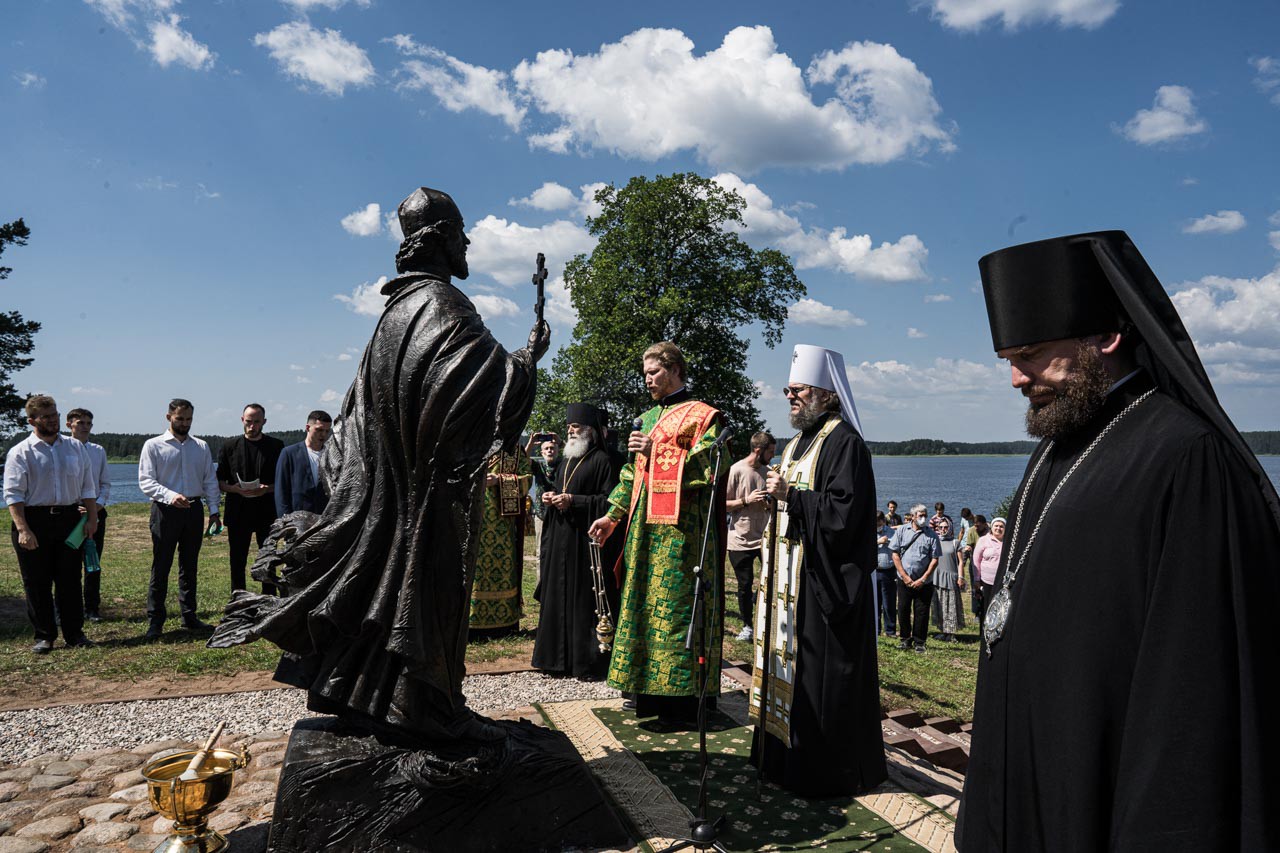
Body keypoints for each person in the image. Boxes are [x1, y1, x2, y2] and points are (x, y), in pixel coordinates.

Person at [959, 230, 1280, 850]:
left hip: (1103, 792)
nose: (1016, 378)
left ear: (1105, 337)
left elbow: (1192, 689)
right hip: (1026, 769)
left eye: (1031, 353)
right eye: (1008, 359)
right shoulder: (1057, 445)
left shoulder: (1186, 458)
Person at [210, 186, 549, 742]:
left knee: (397, 597)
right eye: (461, 233)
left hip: (393, 496)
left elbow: (363, 412)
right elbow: (477, 399)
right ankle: (429, 714)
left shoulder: (396, 311)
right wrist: (526, 361)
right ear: (439, 238)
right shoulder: (442, 304)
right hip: (423, 504)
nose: (467, 244)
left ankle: (389, 703)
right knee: (424, 600)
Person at [751, 343, 886, 797]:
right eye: (788, 390)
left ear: (828, 394)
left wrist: (793, 498)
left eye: (799, 390)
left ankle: (821, 772)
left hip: (821, 585)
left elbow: (846, 516)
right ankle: (778, 762)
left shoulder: (844, 442)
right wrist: (777, 498)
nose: (790, 396)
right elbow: (791, 499)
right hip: (788, 580)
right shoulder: (795, 443)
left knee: (820, 678)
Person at [588, 341, 723, 723]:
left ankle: (682, 702)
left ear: (676, 369)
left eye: (655, 372)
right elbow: (631, 473)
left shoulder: (704, 416)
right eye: (645, 373)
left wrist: (660, 451)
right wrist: (612, 516)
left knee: (678, 613)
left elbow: (712, 465)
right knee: (642, 610)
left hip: (683, 538)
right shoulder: (645, 418)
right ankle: (642, 689)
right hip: (644, 535)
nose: (647, 379)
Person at [3, 395, 98, 652]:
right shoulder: (21, 452)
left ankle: (75, 634)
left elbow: (88, 486)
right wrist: (23, 529)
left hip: (69, 519)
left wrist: (92, 517)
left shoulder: (75, 448)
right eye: (46, 417)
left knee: (69, 580)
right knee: (37, 581)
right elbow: (13, 495)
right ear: (32, 420)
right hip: (34, 520)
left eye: (55, 415)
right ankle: (44, 636)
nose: (53, 420)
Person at [532, 404, 619, 680]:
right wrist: (551, 497)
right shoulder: (567, 460)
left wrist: (574, 501)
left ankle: (585, 662)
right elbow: (560, 489)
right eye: (569, 428)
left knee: (582, 600)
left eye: (576, 428)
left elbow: (609, 502)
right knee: (557, 596)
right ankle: (554, 660)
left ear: (590, 432)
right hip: (561, 539)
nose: (570, 432)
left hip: (585, 543)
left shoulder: (603, 461)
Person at [138, 398, 221, 640]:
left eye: (188, 419)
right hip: (165, 511)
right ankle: (155, 620)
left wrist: (214, 511)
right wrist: (170, 496)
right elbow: (146, 481)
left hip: (194, 510)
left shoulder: (201, 447)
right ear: (168, 417)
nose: (184, 423)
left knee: (189, 565)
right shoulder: (153, 446)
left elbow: (209, 481)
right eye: (180, 419)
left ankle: (189, 615)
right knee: (161, 566)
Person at [218, 403, 284, 595]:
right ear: (242, 420)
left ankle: (269, 596)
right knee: (237, 559)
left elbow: (282, 481)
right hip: (238, 511)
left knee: (268, 557)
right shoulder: (229, 446)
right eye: (248, 422)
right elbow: (219, 480)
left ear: (264, 422)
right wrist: (234, 489)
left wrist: (267, 489)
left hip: (266, 511)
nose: (252, 426)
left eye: (256, 422)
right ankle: (238, 598)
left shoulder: (276, 446)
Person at [469, 446, 532, 635]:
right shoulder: (473, 442)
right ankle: (470, 623)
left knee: (502, 568)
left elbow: (527, 479)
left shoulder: (514, 450)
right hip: (472, 521)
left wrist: (500, 480)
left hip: (501, 526)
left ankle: (503, 624)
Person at [724, 431, 774, 642]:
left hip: (764, 538)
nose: (773, 455)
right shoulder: (736, 470)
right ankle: (747, 626)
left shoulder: (769, 471)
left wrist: (770, 503)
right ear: (758, 450)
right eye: (770, 452)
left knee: (769, 581)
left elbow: (776, 502)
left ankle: (766, 623)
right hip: (739, 540)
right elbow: (723, 505)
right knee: (744, 585)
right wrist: (746, 500)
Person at [66, 407, 109, 622]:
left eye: (88, 423)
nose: (84, 427)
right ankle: (65, 608)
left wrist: (97, 507)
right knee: (66, 564)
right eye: (80, 423)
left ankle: (92, 609)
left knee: (93, 561)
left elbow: (105, 483)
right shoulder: (62, 449)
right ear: (69, 425)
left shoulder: (98, 450)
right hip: (69, 513)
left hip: (95, 513)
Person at [890, 504, 939, 652]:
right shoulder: (902, 531)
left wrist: (923, 579)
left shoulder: (932, 534)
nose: (923, 518)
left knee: (922, 612)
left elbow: (935, 559)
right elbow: (895, 554)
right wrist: (904, 576)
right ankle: (905, 639)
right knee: (903, 609)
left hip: (924, 582)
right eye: (920, 515)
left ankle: (919, 641)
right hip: (904, 580)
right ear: (913, 516)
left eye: (925, 515)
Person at [274, 410, 332, 516]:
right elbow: (281, 491)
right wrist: (285, 521)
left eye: (327, 431)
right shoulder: (289, 453)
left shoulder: (332, 455)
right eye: (319, 430)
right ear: (307, 428)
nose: (323, 435)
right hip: (297, 519)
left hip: (325, 519)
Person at [527, 433, 561, 568]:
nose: (549, 451)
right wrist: (530, 443)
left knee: (559, 552)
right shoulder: (538, 467)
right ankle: (541, 586)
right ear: (541, 452)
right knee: (541, 553)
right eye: (546, 449)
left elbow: (577, 457)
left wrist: (560, 441)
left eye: (552, 448)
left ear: (558, 451)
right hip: (542, 515)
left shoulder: (564, 465)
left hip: (560, 515)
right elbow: (523, 459)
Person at [929, 517, 964, 642]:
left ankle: (951, 633)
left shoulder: (956, 543)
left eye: (946, 527)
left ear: (950, 528)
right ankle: (943, 631)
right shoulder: (935, 541)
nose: (943, 529)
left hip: (951, 577)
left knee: (951, 606)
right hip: (937, 578)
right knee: (939, 605)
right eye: (941, 527)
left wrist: (961, 577)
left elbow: (960, 562)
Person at [970, 516, 1003, 618]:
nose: (998, 528)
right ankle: (984, 632)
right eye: (996, 526)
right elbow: (976, 560)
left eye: (1001, 526)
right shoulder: (983, 540)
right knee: (986, 607)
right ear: (991, 527)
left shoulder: (1009, 542)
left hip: (1002, 581)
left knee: (1001, 608)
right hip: (986, 581)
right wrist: (976, 579)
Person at [960, 513, 988, 619]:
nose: (976, 528)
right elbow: (968, 547)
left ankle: (985, 609)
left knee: (985, 587)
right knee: (975, 588)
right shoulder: (972, 531)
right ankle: (976, 612)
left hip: (987, 563)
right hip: (975, 562)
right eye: (975, 525)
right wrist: (963, 562)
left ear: (984, 525)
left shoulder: (989, 531)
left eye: (978, 526)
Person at [873, 511, 896, 636]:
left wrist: (888, 541)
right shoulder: (870, 532)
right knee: (875, 602)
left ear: (883, 521)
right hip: (874, 571)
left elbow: (898, 547)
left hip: (888, 571)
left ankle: (890, 630)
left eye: (878, 522)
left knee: (889, 603)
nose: (877, 525)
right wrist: (878, 542)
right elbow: (865, 547)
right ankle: (876, 629)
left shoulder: (892, 532)